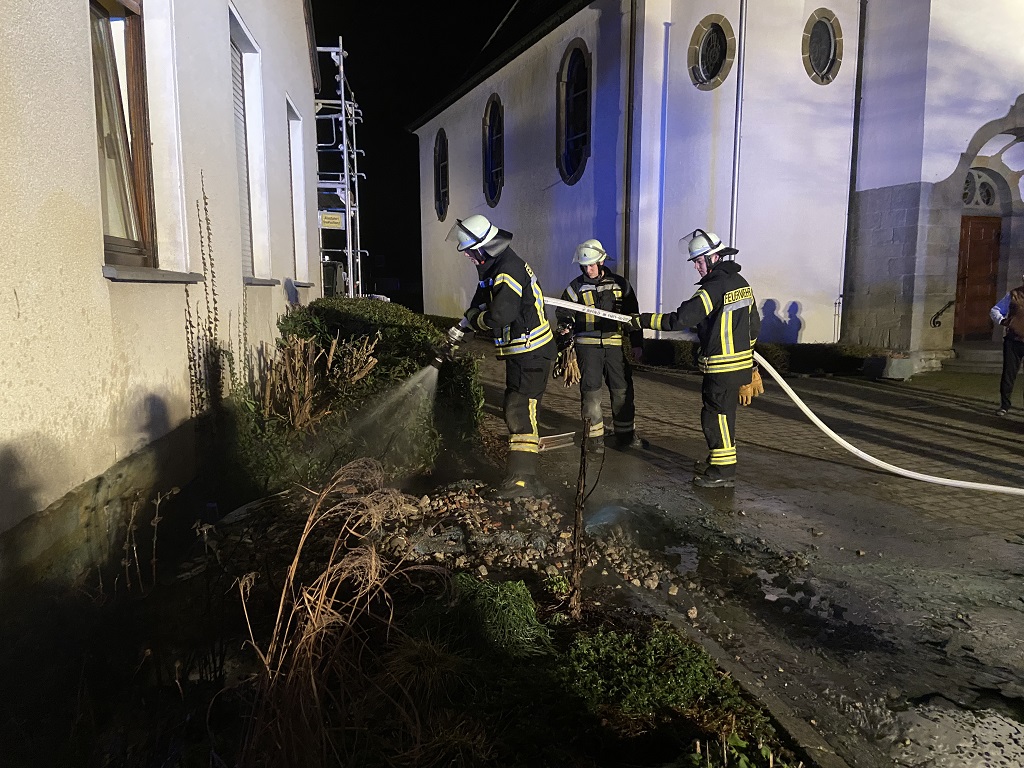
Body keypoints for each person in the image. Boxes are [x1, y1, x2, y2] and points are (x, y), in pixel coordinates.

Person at [631, 229, 761, 488]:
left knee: (715, 417)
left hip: (721, 368)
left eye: (700, 261)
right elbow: (754, 326)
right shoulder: (741, 283)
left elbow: (681, 319)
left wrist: (641, 321)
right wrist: (750, 365)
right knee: (724, 416)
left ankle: (723, 471)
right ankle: (718, 462)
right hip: (737, 366)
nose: (696, 267)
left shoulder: (713, 288)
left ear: (714, 258)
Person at [446, 214, 556, 498]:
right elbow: (479, 303)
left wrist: (475, 320)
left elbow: (500, 315)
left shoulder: (507, 268)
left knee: (520, 409)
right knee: (520, 408)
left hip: (531, 352)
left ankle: (522, 481)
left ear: (485, 247)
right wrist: (461, 330)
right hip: (524, 353)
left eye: (470, 251)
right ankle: (525, 478)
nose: (468, 256)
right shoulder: (495, 267)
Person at [555, 238, 645, 453]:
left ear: (602, 261)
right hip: (587, 349)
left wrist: (637, 343)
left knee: (622, 390)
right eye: (584, 266)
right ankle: (594, 440)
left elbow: (633, 315)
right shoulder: (575, 287)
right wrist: (565, 328)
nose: (588, 269)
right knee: (591, 392)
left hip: (614, 347)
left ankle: (626, 435)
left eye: (592, 265)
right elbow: (564, 312)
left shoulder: (620, 284)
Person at [989, 273, 1024, 417]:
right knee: (1009, 374)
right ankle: (1004, 405)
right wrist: (1003, 321)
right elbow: (995, 310)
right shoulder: (1014, 295)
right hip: (1013, 341)